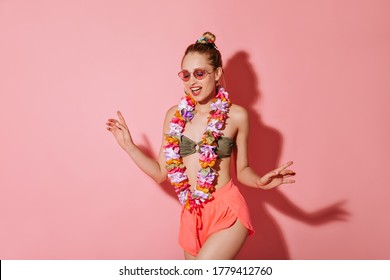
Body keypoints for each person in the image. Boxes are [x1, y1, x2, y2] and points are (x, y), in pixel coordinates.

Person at [106, 32, 296, 260]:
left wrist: (260, 182)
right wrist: (129, 146)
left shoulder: (236, 116)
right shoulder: (173, 115)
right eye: (186, 75)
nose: (192, 82)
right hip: (192, 213)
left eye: (199, 73)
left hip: (227, 210)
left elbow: (242, 170)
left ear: (216, 74)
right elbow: (160, 173)